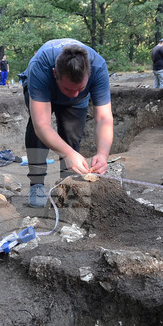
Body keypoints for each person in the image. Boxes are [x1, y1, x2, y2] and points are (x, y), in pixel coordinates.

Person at [21, 39, 113, 207]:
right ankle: (37, 183)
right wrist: (68, 154)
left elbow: (104, 118)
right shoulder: (41, 67)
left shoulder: (98, 67)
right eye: (69, 89)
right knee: (37, 133)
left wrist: (102, 154)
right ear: (55, 73)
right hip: (41, 87)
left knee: (72, 135)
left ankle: (67, 183)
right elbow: (41, 125)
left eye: (80, 88)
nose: (74, 94)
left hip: (77, 101)